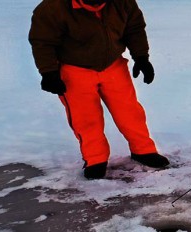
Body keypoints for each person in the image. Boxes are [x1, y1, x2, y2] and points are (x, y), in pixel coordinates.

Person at [28, 0, 169, 179]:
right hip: (74, 70)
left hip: (113, 65)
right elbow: (43, 42)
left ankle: (143, 150)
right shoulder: (53, 8)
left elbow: (134, 28)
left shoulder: (122, 3)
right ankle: (95, 159)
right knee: (85, 118)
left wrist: (141, 57)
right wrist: (49, 73)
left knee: (129, 111)